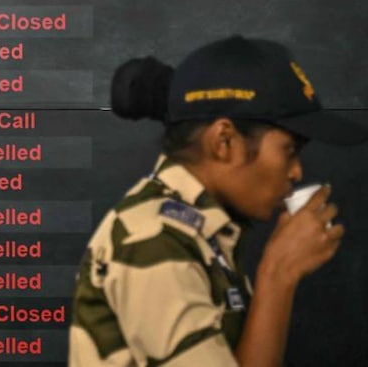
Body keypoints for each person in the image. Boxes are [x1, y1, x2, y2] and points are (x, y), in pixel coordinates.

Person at [68, 35, 368, 366]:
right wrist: (278, 273)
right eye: (290, 150)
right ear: (224, 141)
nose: (297, 171)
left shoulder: (199, 231)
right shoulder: (153, 242)